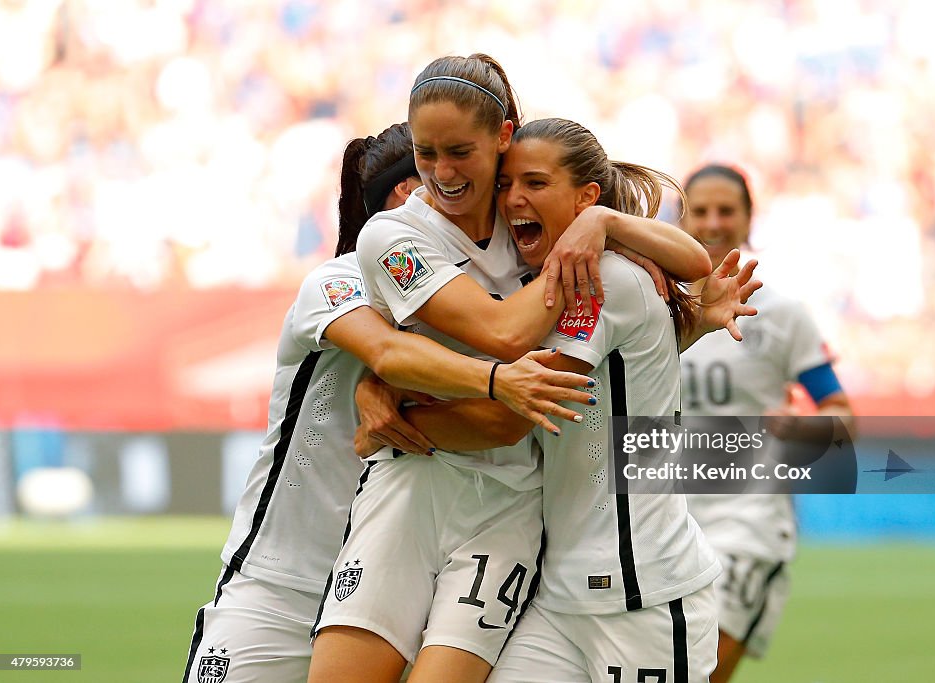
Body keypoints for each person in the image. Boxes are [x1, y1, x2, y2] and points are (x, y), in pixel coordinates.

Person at [309, 55, 714, 683]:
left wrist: (396, 412)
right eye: (426, 154)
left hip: (636, 588)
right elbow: (524, 348)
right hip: (542, 578)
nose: (443, 175)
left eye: (532, 183)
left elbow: (509, 406)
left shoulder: (598, 271)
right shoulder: (413, 236)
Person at [181, 122, 597, 683]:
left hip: (403, 580)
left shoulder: (488, 292)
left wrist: (603, 222)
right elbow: (386, 349)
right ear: (394, 204)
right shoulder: (336, 282)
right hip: (285, 584)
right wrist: (466, 379)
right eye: (420, 188)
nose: (442, 201)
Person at [677, 164, 855, 683]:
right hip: (662, 517)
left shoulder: (782, 314)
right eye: (700, 210)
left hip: (747, 518)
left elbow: (840, 414)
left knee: (698, 670)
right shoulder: (653, 303)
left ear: (749, 219)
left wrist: (804, 432)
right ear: (681, 219)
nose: (713, 223)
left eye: (726, 210)